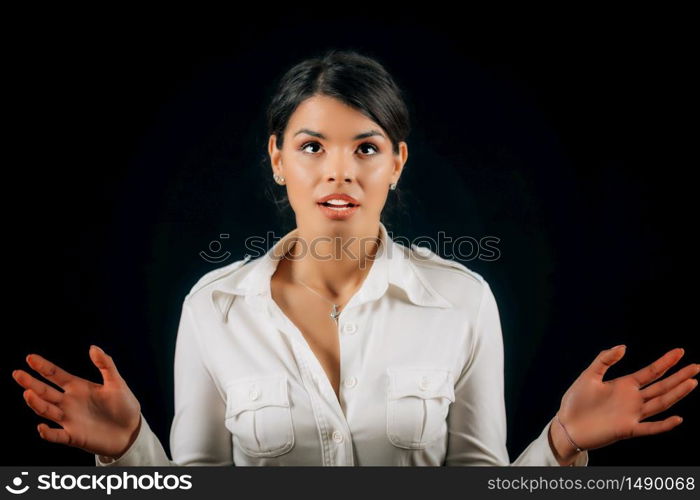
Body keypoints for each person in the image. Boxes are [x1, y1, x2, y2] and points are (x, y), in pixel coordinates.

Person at [12, 49, 699, 466]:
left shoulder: (461, 302)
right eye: (312, 146)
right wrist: (130, 447)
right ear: (278, 160)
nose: (339, 171)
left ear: (397, 163)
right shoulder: (213, 308)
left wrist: (562, 441)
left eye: (365, 147)